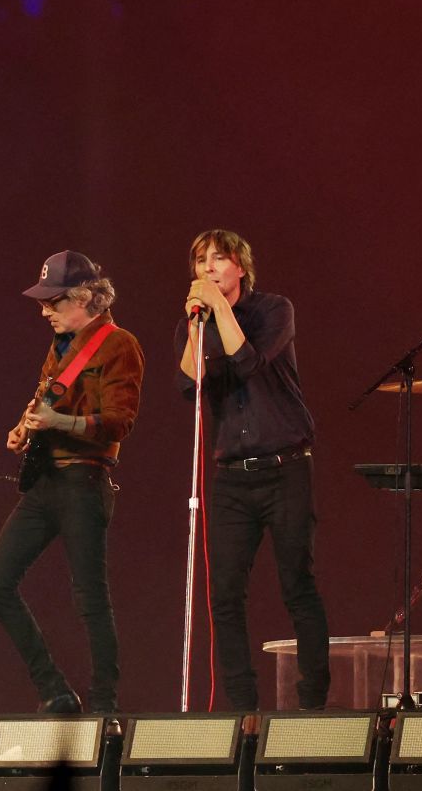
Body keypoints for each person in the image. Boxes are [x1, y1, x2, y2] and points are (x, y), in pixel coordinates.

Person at [174, 229, 329, 710]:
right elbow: (188, 385)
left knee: (296, 582)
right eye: (201, 261)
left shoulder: (274, 310)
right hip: (232, 477)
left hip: (284, 467)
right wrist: (197, 326)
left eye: (219, 259)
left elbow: (247, 361)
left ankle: (312, 700)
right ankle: (242, 707)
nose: (209, 268)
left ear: (240, 266)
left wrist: (219, 309)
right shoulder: (195, 324)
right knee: (224, 593)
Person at [0, 250, 144, 713]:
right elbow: (42, 401)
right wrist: (24, 426)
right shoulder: (59, 345)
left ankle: (103, 706)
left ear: (85, 298)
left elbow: (119, 422)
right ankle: (54, 691)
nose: (44, 311)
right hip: (45, 481)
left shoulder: (119, 345)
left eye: (53, 302)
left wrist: (59, 422)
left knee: (89, 598)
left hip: (84, 482)